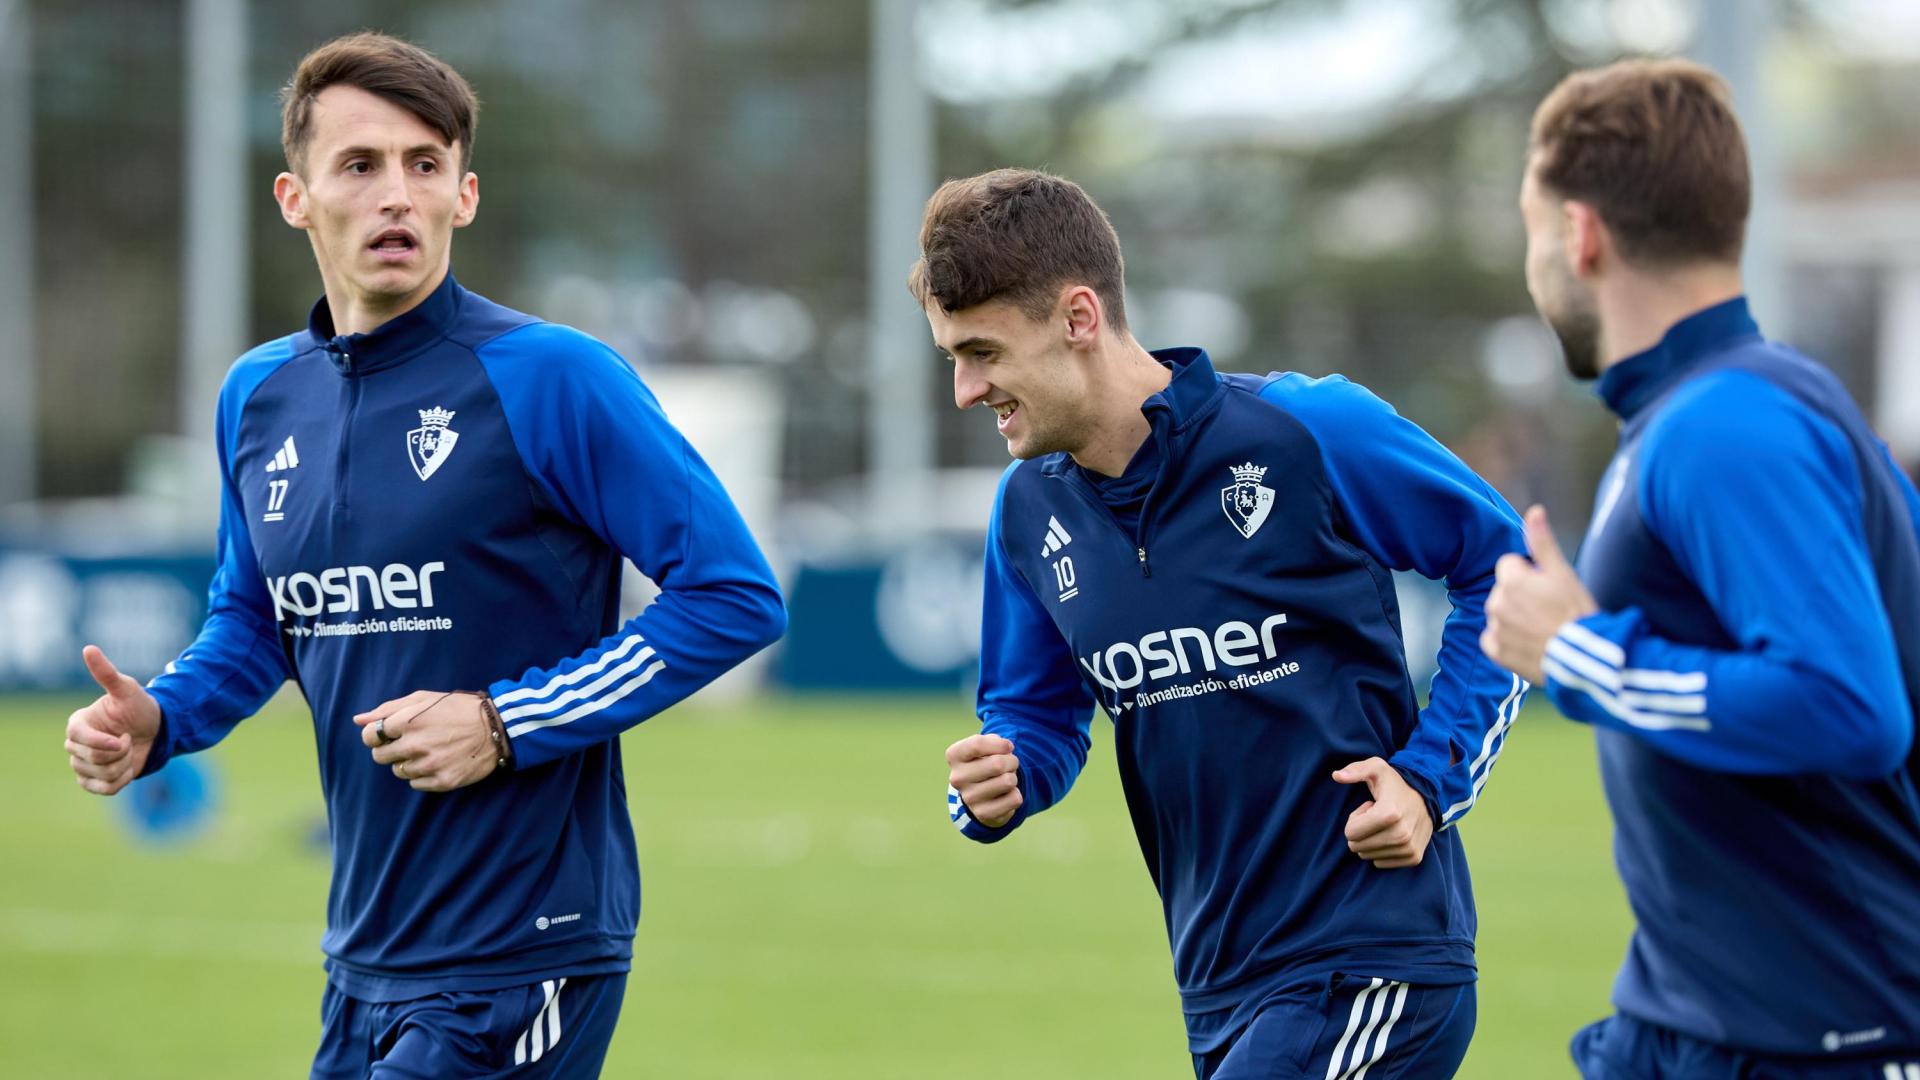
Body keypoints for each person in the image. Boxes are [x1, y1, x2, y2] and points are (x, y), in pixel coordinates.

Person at [59, 32, 785, 1077]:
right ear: (295, 197)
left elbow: (734, 595)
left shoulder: (557, 379)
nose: (396, 193)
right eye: (359, 165)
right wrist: (166, 718)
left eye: (424, 164)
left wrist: (503, 723)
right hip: (364, 955)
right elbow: (258, 620)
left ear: (465, 196)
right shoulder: (257, 398)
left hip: (523, 950)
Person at [913, 168, 1528, 1079]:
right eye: (953, 358)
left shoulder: (1308, 431)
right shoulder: (1026, 513)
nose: (966, 389)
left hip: (1369, 963)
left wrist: (1428, 781)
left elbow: (1507, 571)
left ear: (1079, 318)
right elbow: (1035, 720)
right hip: (1217, 986)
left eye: (983, 352)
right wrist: (1001, 778)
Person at [1481, 58, 1920, 1077]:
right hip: (1708, 1020)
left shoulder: (1726, 425)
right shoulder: (1743, 406)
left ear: (1580, 234)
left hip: (1819, 1040)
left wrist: (1580, 654)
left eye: (1533, 230)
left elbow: (1851, 706)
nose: (1535, 266)